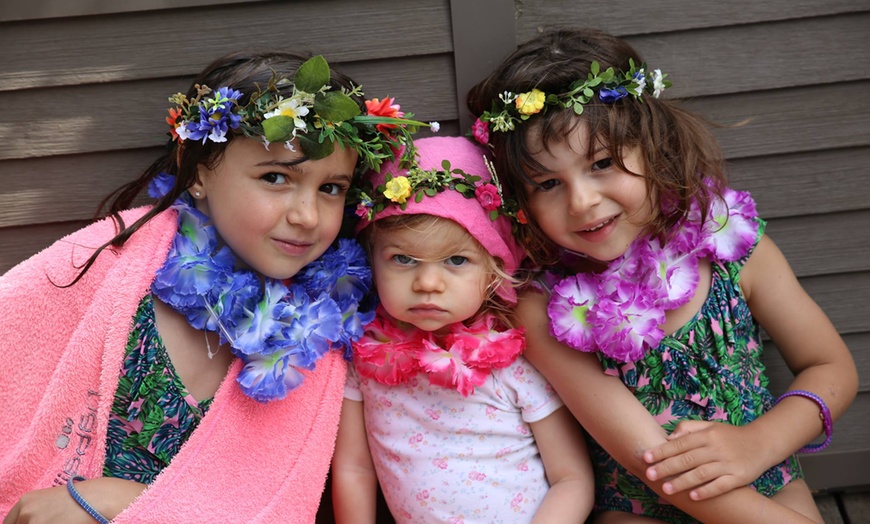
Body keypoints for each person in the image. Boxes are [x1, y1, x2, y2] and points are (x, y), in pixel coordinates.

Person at [0, 50, 432, 523]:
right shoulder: (99, 266)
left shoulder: (324, 328)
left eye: (331, 188)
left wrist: (116, 502)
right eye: (276, 178)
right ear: (200, 170)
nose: (307, 216)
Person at [466, 28, 858, 524]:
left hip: (763, 480)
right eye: (547, 183)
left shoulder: (730, 247)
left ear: (656, 148)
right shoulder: (545, 307)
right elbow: (649, 462)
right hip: (644, 502)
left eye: (603, 163)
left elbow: (831, 367)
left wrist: (759, 444)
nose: (582, 201)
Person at [331, 136, 594, 523]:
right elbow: (354, 469)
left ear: (493, 269)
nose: (427, 283)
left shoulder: (514, 362)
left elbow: (571, 479)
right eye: (403, 258)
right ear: (372, 259)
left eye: (456, 260)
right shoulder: (366, 362)